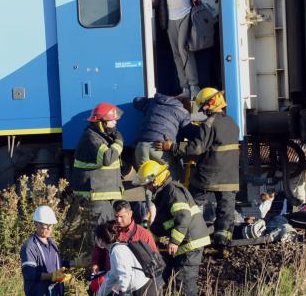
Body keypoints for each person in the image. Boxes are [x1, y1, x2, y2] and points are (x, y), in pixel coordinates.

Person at [138, 160, 210, 296]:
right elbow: (165, 223)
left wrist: (174, 241)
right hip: (185, 242)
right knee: (171, 279)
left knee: (183, 282)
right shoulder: (164, 193)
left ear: (156, 179)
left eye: (148, 184)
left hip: (190, 242)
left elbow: (183, 216)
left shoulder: (172, 191)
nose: (147, 188)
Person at [151, 0, 211, 99]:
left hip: (188, 12)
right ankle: (184, 87)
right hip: (169, 16)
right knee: (176, 53)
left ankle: (194, 86)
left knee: (183, 48)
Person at [180, 87, 240, 246]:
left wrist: (172, 147)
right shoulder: (232, 123)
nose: (203, 110)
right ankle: (222, 244)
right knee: (226, 212)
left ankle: (190, 237)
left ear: (211, 103)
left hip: (208, 175)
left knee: (192, 204)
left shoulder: (209, 123)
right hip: (230, 177)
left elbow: (196, 149)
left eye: (204, 106)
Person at [72, 103, 125, 225]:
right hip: (97, 197)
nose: (115, 123)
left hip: (105, 196)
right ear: (101, 123)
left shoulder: (100, 137)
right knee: (101, 234)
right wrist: (119, 142)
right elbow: (108, 158)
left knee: (111, 231)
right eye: (112, 121)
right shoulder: (91, 138)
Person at [90, 200, 158, 293]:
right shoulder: (110, 229)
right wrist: (96, 262)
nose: (118, 220)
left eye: (122, 216)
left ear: (130, 214)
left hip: (136, 285)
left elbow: (153, 259)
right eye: (116, 216)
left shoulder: (143, 234)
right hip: (113, 281)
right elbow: (100, 247)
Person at [133, 93, 193, 182]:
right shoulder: (183, 112)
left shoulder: (155, 102)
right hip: (159, 147)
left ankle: (150, 196)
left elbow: (136, 101)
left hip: (141, 147)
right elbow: (190, 134)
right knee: (173, 177)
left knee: (147, 182)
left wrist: (151, 102)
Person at [21, 206, 71, 296]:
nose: (48, 228)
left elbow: (54, 263)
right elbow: (29, 274)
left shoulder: (53, 244)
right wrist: (51, 276)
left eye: (50, 225)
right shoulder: (29, 247)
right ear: (36, 224)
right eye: (45, 225)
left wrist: (74, 263)